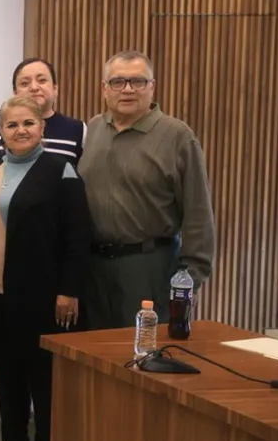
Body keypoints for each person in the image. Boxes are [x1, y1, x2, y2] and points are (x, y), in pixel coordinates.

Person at [0, 95, 92, 441]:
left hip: (42, 298)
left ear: (42, 128)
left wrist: (69, 290)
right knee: (7, 380)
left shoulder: (60, 170)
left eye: (28, 123)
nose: (20, 131)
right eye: (11, 125)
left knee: (43, 383)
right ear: (0, 132)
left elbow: (78, 237)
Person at [78, 50, 215, 329]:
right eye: (118, 81)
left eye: (138, 81)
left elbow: (198, 214)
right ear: (105, 88)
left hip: (149, 268)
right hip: (94, 269)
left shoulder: (177, 136)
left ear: (152, 86)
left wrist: (190, 279)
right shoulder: (94, 128)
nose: (127, 89)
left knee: (144, 350)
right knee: (95, 350)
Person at [0, 58, 86, 163]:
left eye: (42, 80)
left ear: (55, 89)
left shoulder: (78, 129)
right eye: (24, 83)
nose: (34, 88)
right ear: (15, 93)